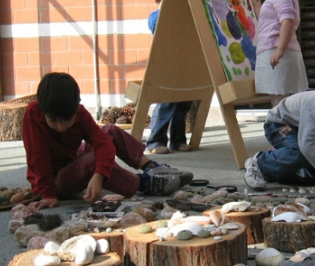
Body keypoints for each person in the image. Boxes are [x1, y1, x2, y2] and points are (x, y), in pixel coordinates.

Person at [22, 72, 192, 210]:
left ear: (76, 108)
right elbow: (38, 158)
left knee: (109, 131)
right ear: (44, 110)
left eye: (66, 120)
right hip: (54, 181)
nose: (60, 127)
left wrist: (99, 175)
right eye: (53, 121)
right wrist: (48, 194)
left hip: (72, 161)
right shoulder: (33, 113)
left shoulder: (80, 113)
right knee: (93, 161)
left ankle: (151, 167)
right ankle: (144, 183)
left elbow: (103, 142)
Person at [249, 0, 308, 107]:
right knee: (282, 102)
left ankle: (283, 132)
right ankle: (284, 131)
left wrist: (280, 50)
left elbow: (287, 21)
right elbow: (269, 22)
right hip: (279, 52)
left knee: (280, 102)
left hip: (278, 53)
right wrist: (256, 4)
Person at [145, 0, 192, 154]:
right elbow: (159, 31)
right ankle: (156, 141)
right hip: (165, 65)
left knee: (183, 103)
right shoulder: (156, 15)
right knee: (167, 103)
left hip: (182, 64)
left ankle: (178, 140)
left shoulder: (181, 17)